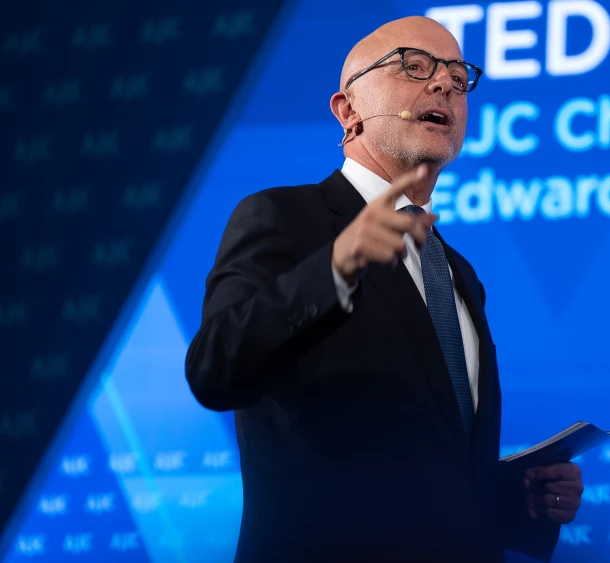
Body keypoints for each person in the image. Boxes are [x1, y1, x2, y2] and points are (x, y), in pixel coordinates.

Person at [185, 15, 584, 563]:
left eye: (458, 75)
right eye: (413, 67)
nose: (443, 83)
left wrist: (523, 502)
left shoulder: (457, 271)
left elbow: (432, 468)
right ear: (347, 111)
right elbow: (214, 369)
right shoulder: (284, 217)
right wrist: (337, 267)